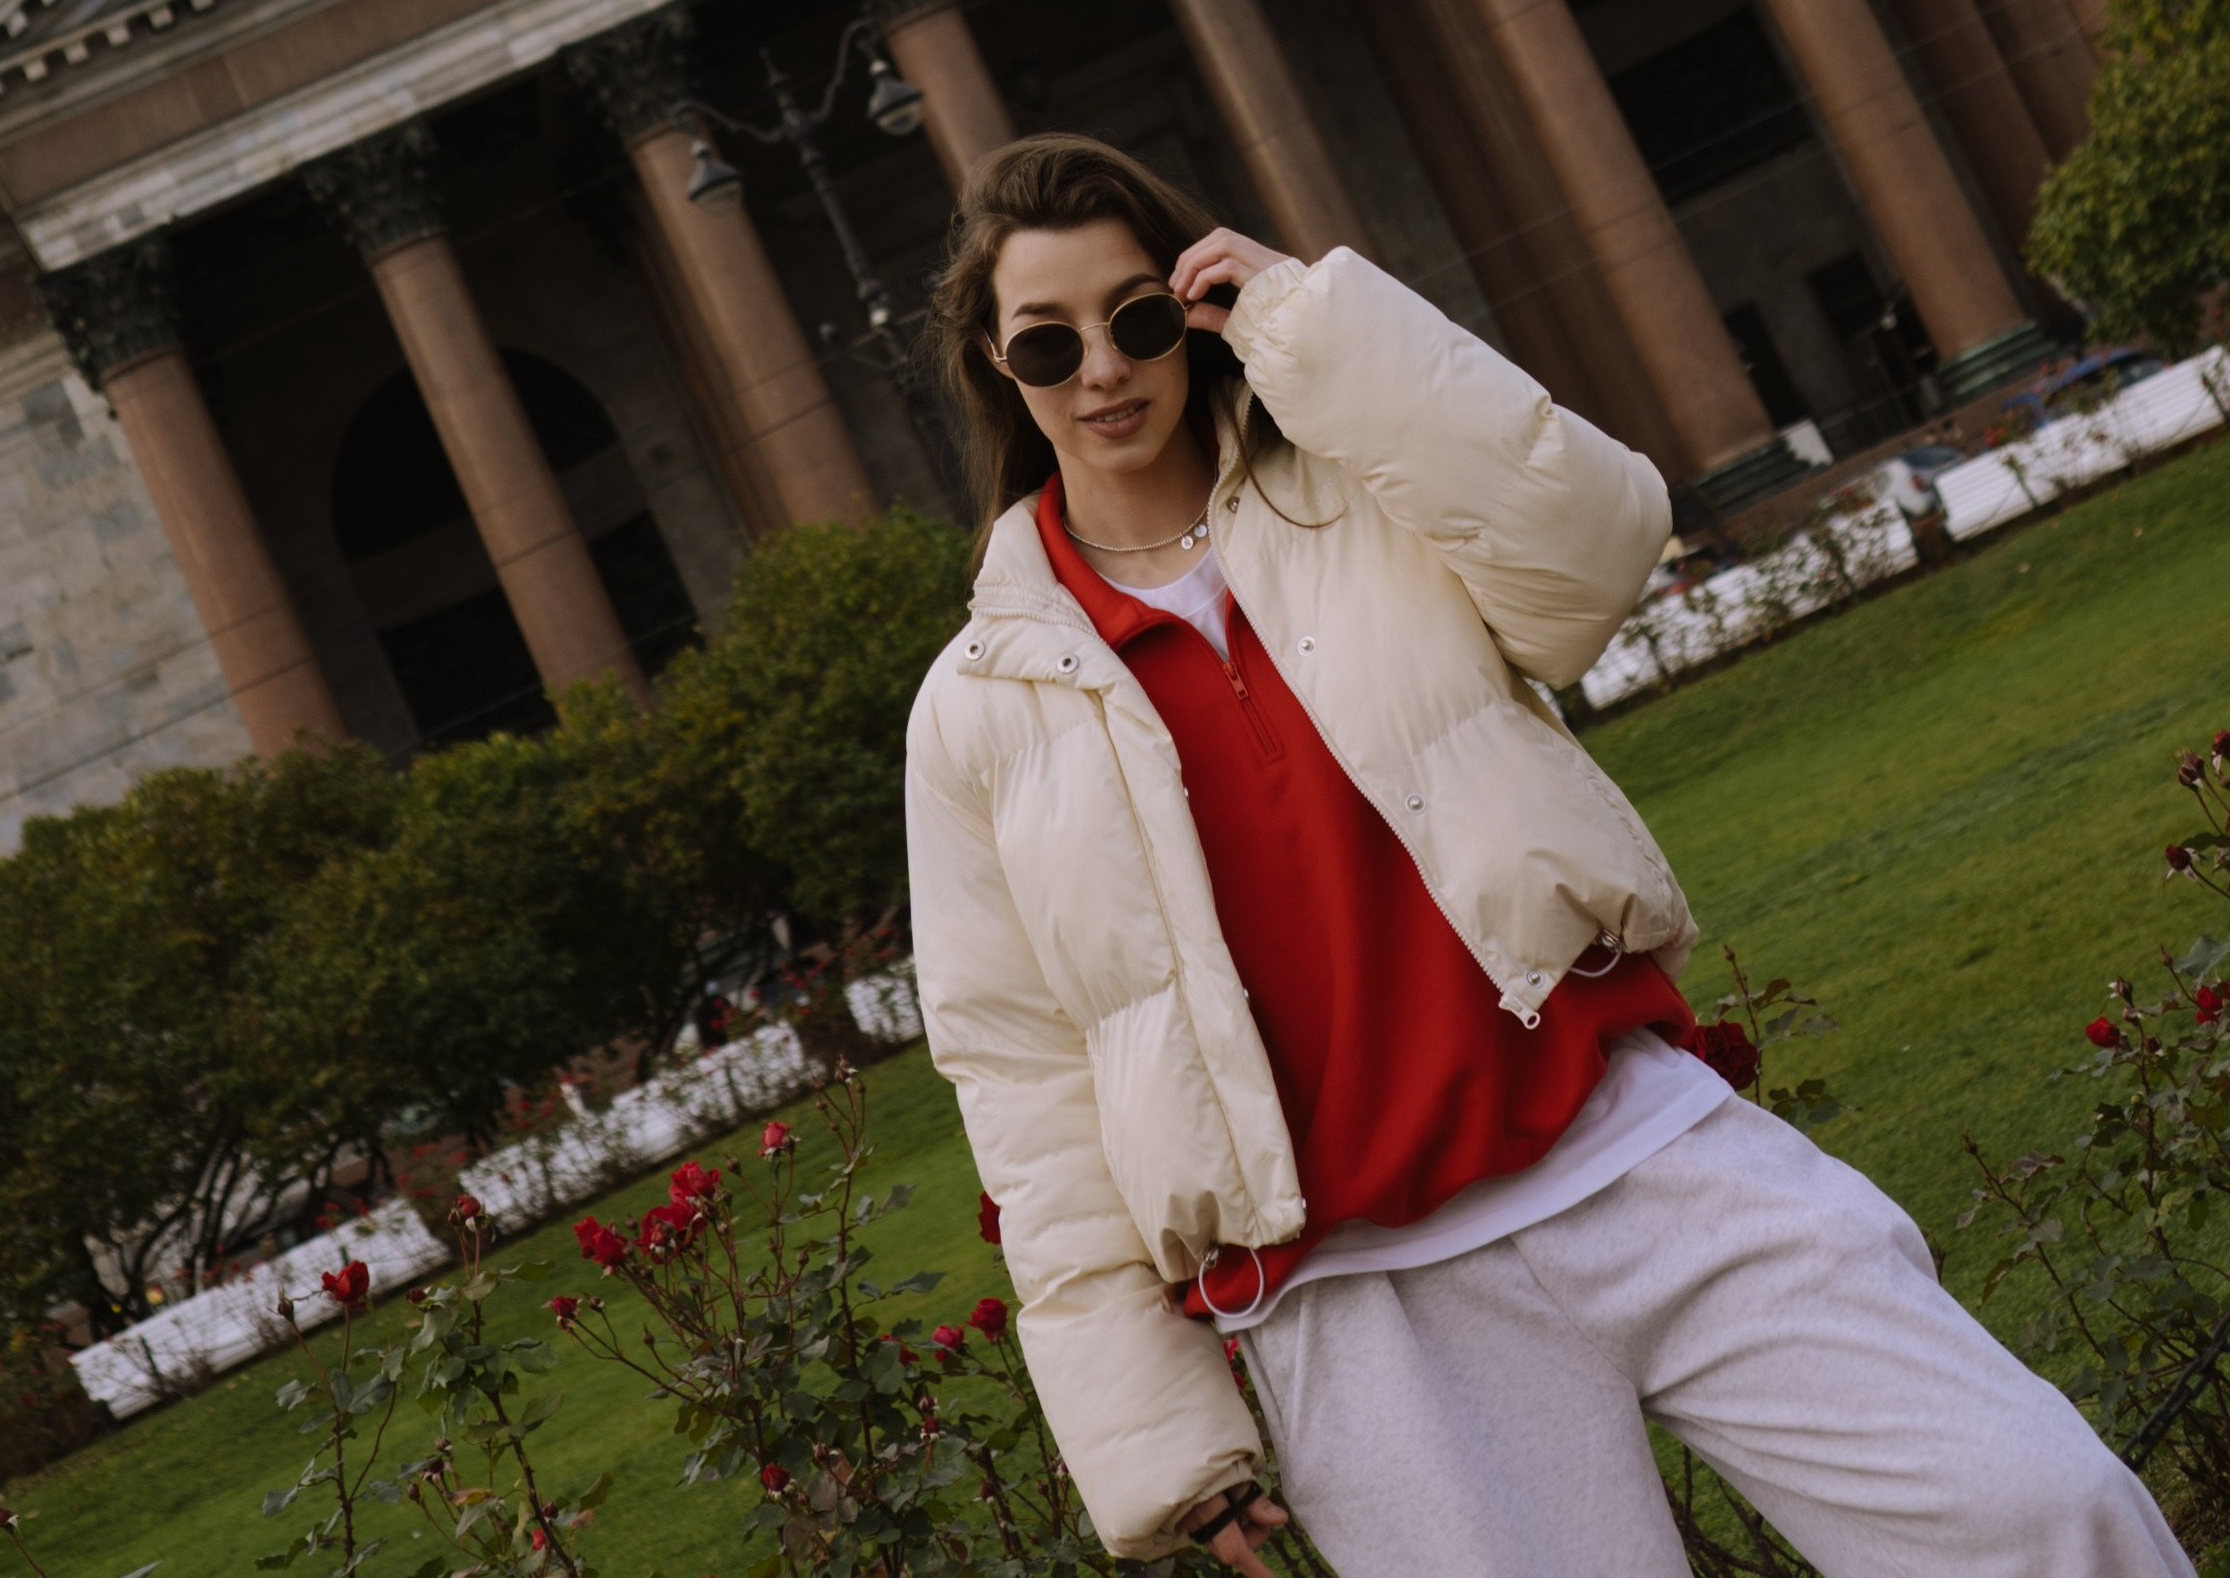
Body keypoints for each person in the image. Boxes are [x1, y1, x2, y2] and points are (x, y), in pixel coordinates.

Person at [904, 133, 2188, 1578]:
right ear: (992, 367)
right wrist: (1158, 1443)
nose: (1103, 367)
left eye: (1139, 317)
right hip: (1360, 1303)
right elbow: (1025, 1088)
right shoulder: (979, 708)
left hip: (1633, 1148)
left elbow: (1598, 547)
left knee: (2040, 1512)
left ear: (1191, 312)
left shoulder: (1365, 488)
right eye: (1046, 341)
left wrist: (1313, 322)